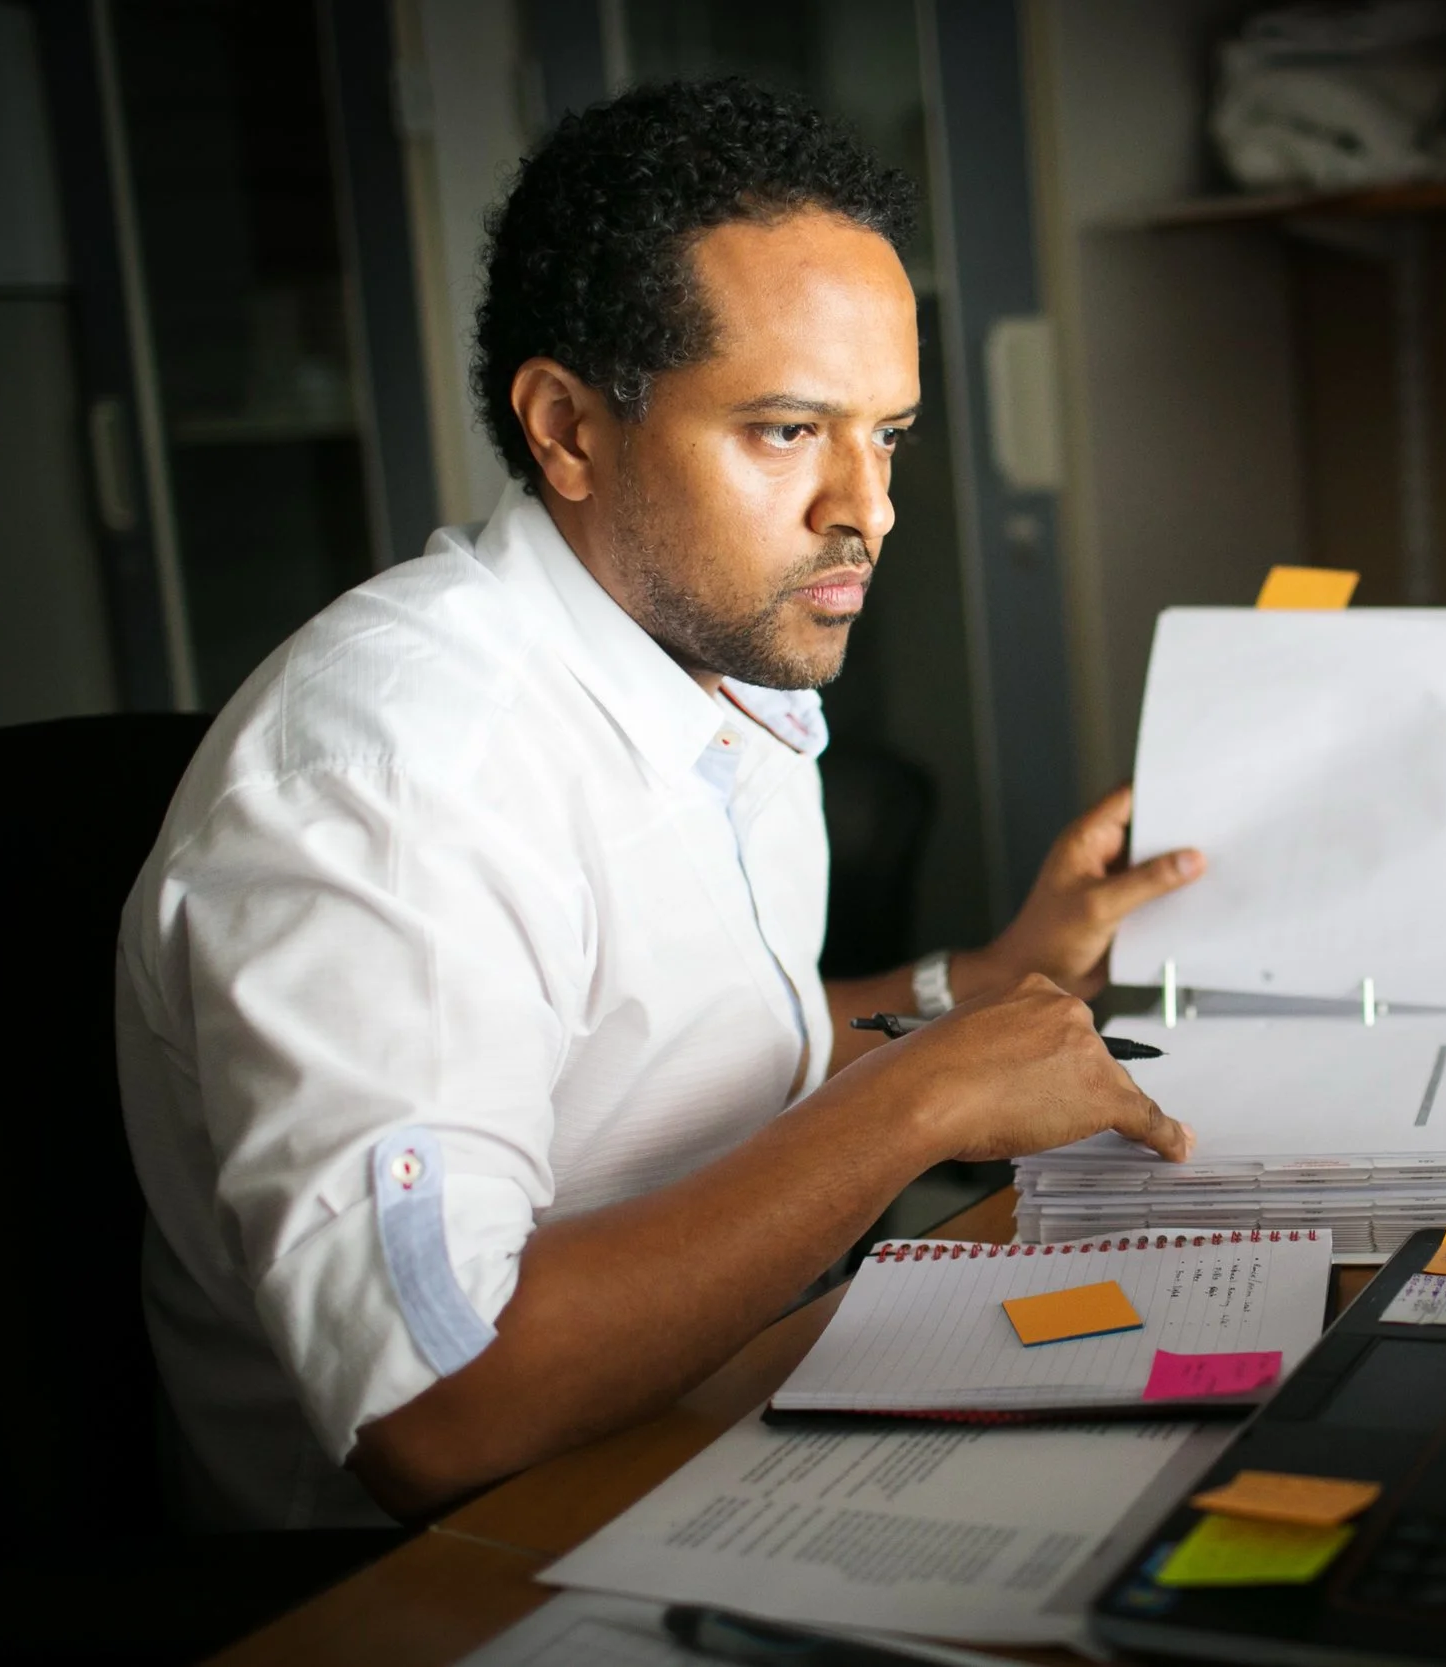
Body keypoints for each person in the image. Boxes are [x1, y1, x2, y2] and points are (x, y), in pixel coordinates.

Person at [116, 79, 1201, 1531]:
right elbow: (440, 1406)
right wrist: (915, 1100)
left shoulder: (700, 660)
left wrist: (977, 984)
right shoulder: (396, 781)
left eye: (889, 434)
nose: (865, 508)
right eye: (785, 431)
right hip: (454, 1573)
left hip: (728, 1426)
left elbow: (681, 1052)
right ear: (568, 428)